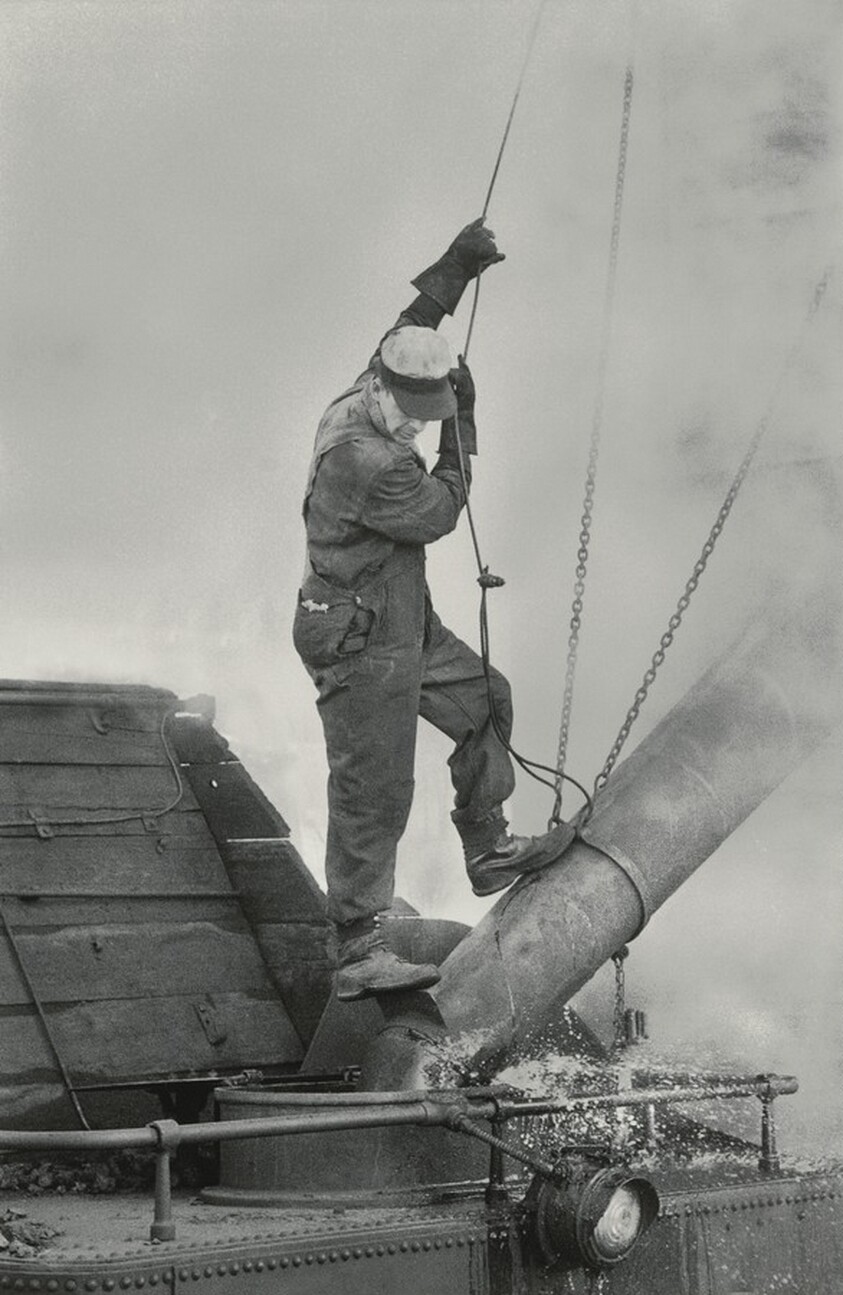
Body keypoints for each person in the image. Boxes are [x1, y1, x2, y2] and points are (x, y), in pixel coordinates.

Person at [294, 218, 573, 1001]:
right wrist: (461, 428)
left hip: (396, 614)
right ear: (385, 392)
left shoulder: (375, 375)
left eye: (431, 407)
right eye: (414, 410)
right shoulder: (368, 460)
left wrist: (459, 262)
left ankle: (486, 847)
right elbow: (442, 508)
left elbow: (415, 319)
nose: (418, 421)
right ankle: (356, 950)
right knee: (372, 791)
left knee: (486, 696)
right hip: (356, 635)